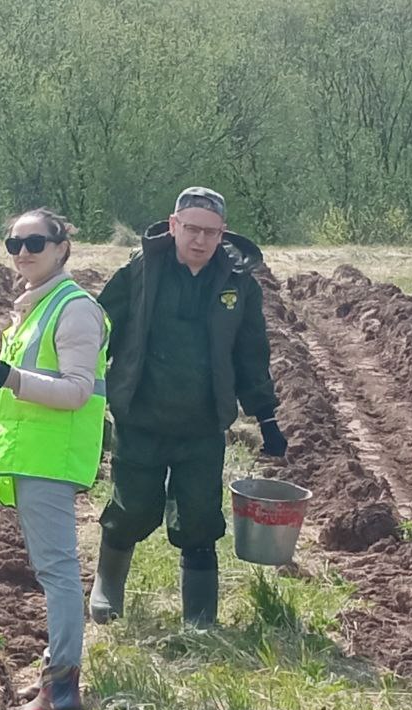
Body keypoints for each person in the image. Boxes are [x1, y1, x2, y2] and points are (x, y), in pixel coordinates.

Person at [0, 209, 108, 710]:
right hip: (33, 454)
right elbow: (19, 377)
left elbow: (76, 391)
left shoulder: (74, 309)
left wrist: (9, 378)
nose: (24, 252)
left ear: (62, 248)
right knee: (52, 568)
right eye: (15, 244)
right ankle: (56, 673)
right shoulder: (36, 306)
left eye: (36, 242)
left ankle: (62, 688)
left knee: (58, 570)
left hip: (50, 457)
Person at [90, 187, 286, 627]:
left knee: (200, 517)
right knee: (133, 508)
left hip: (202, 424)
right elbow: (100, 329)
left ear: (223, 233)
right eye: (192, 229)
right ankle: (108, 584)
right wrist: (76, 381)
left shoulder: (238, 283)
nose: (200, 240)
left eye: (211, 232)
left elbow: (251, 353)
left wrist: (267, 417)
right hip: (141, 416)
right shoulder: (141, 272)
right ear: (173, 225)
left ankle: (200, 617)